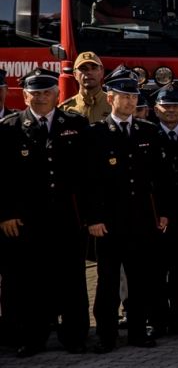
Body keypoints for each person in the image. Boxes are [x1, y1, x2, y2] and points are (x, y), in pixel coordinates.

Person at [0, 69, 90, 357]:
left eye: (46, 92)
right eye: (34, 93)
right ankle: (33, 338)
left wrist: (89, 215)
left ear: (57, 94)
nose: (40, 98)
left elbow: (88, 175)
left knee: (72, 280)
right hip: (27, 220)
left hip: (67, 217)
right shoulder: (10, 127)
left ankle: (75, 336)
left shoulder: (75, 123)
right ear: (25, 95)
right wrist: (5, 213)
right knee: (30, 282)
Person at [84, 66, 170, 353]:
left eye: (134, 97)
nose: (132, 102)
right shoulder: (96, 134)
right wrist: (93, 218)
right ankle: (107, 335)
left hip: (142, 220)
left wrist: (163, 212)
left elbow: (159, 178)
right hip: (109, 222)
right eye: (125, 96)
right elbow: (90, 182)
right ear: (110, 99)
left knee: (140, 280)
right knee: (108, 282)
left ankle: (136, 331)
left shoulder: (148, 131)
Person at [149, 85, 178, 338]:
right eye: (165, 106)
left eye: (176, 105)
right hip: (156, 215)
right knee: (156, 270)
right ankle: (158, 321)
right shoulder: (147, 133)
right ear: (156, 109)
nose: (171, 110)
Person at [60, 51, 112, 123]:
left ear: (102, 72)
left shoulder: (115, 105)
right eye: (83, 69)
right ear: (75, 74)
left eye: (94, 68)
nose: (89, 72)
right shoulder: (65, 109)